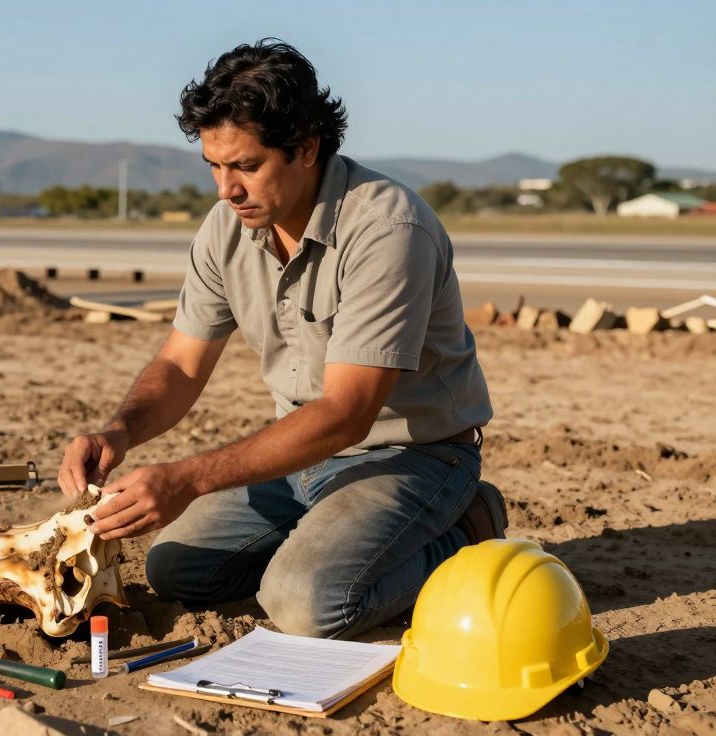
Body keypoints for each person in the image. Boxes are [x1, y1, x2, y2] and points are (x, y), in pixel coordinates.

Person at [57, 38, 504, 640]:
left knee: (308, 605)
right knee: (177, 570)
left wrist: (189, 478)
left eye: (245, 166)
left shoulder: (388, 228)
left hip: (414, 456)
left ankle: (470, 527)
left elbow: (347, 415)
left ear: (306, 148)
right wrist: (120, 430)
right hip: (298, 455)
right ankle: (328, 543)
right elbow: (182, 364)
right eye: (214, 166)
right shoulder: (227, 228)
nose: (225, 189)